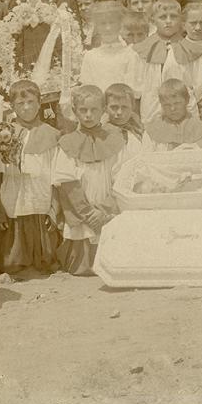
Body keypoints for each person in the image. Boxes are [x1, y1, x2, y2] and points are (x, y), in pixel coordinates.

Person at [52, 85, 128, 275]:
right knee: (82, 264)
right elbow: (67, 182)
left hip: (107, 206)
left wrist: (103, 210)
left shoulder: (114, 140)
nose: (88, 115)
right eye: (83, 110)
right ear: (75, 111)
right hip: (82, 210)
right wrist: (88, 214)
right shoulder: (68, 142)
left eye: (94, 110)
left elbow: (122, 177)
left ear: (103, 110)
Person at [0, 80, 62, 277]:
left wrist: (54, 208)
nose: (26, 108)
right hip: (14, 195)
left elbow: (57, 173)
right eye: (20, 104)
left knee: (46, 259)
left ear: (40, 102)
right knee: (9, 261)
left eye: (31, 102)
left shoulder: (52, 134)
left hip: (40, 194)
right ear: (12, 107)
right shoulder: (4, 134)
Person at [133, 0, 202, 123]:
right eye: (163, 17)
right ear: (153, 20)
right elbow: (136, 89)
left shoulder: (192, 50)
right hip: (152, 113)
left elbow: (201, 90)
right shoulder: (142, 51)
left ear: (181, 20)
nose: (168, 21)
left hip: (185, 115)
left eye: (173, 17)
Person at [143, 79, 202, 151]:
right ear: (161, 104)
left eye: (177, 103)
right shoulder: (151, 131)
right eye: (167, 105)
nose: (172, 109)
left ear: (187, 100)